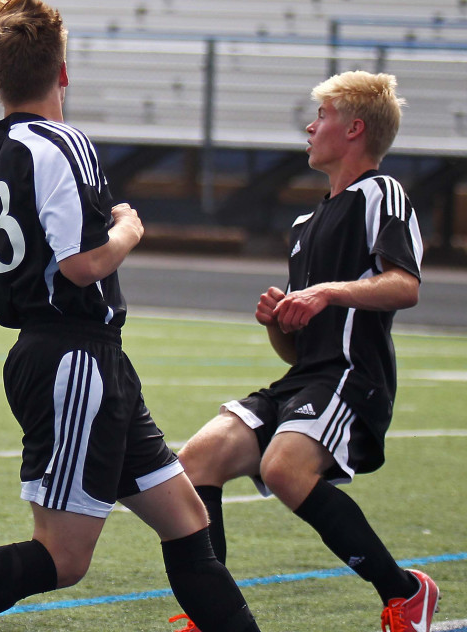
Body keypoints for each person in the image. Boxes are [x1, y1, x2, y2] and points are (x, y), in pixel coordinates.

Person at [0, 0, 262, 632]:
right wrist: (127, 229)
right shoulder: (67, 145)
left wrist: (27, 291)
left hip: (79, 358)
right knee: (63, 558)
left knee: (187, 520)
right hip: (74, 361)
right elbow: (82, 263)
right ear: (63, 71)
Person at [177, 71, 439, 632]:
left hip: (352, 376)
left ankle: (405, 593)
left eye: (322, 116)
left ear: (354, 130)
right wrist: (279, 320)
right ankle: (214, 615)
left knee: (284, 468)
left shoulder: (381, 192)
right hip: (308, 378)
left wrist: (325, 291)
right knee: (197, 461)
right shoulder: (305, 224)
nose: (310, 125)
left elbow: (405, 284)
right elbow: (296, 353)